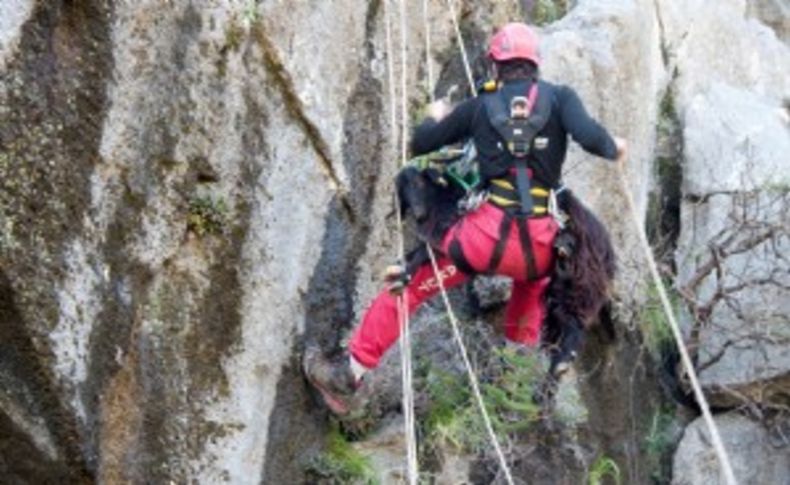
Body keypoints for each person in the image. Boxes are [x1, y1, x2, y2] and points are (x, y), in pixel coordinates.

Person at [305, 22, 627, 415]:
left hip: (481, 242)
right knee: (532, 283)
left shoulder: (479, 107)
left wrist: (434, 114)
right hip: (540, 247)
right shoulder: (560, 99)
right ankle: (513, 379)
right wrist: (616, 147)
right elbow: (594, 139)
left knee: (410, 286)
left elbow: (424, 143)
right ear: (534, 64)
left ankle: (350, 374)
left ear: (496, 65)